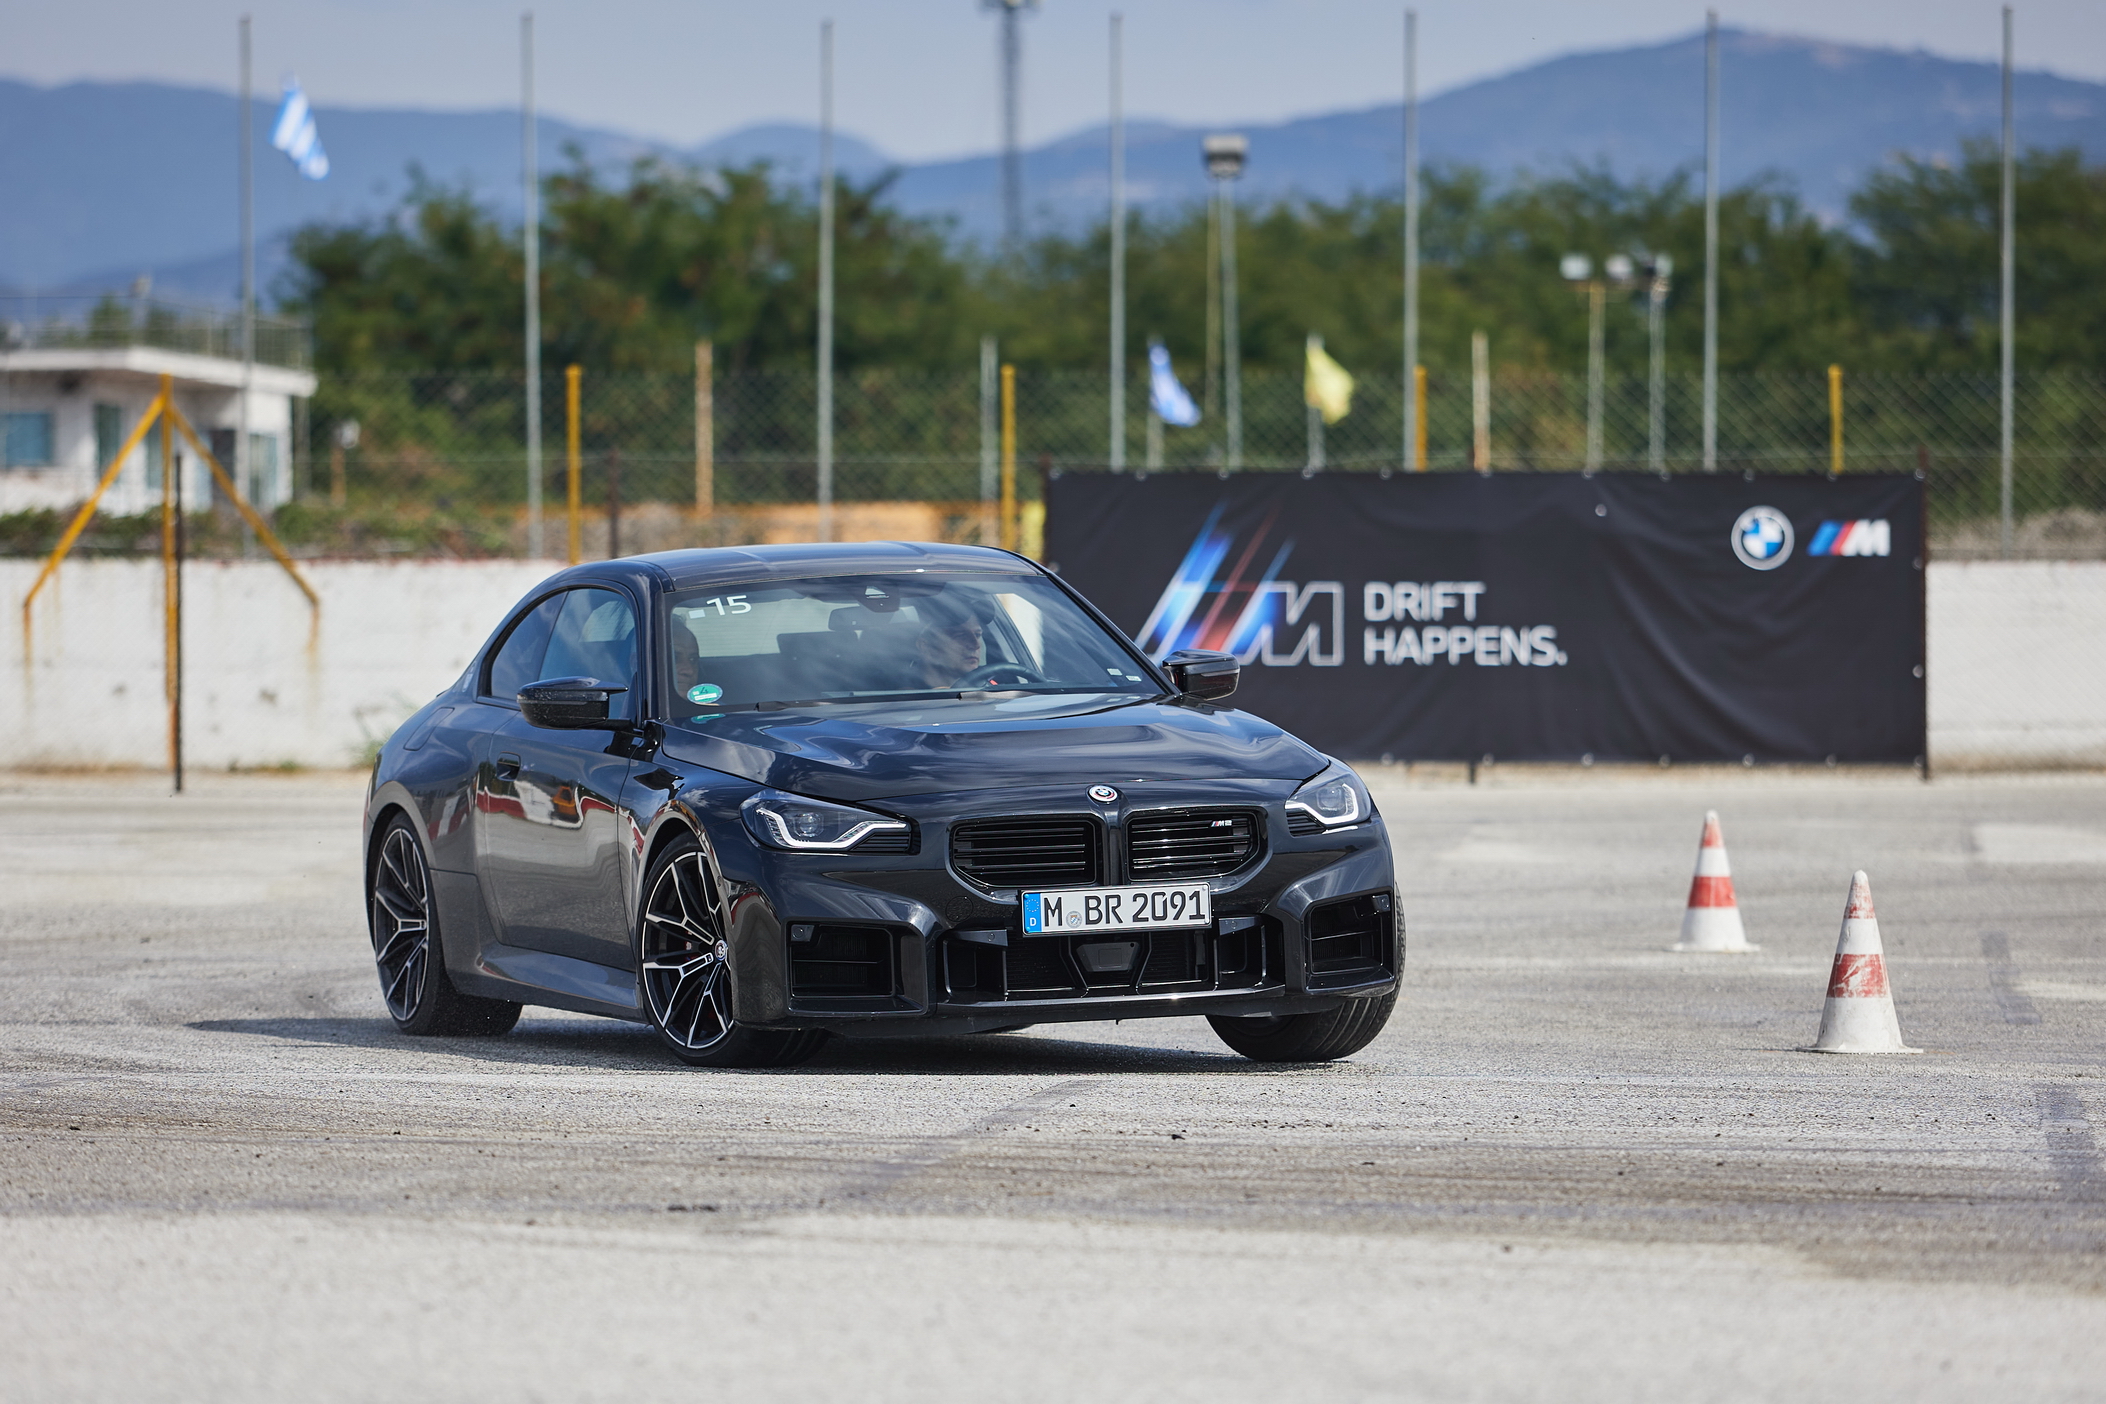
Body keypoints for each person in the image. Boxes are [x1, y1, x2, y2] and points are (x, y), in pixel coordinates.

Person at [912, 595, 988, 689]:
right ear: (925, 646)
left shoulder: (990, 683)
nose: (975, 645)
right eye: (960, 636)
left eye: (977, 635)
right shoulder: (901, 692)